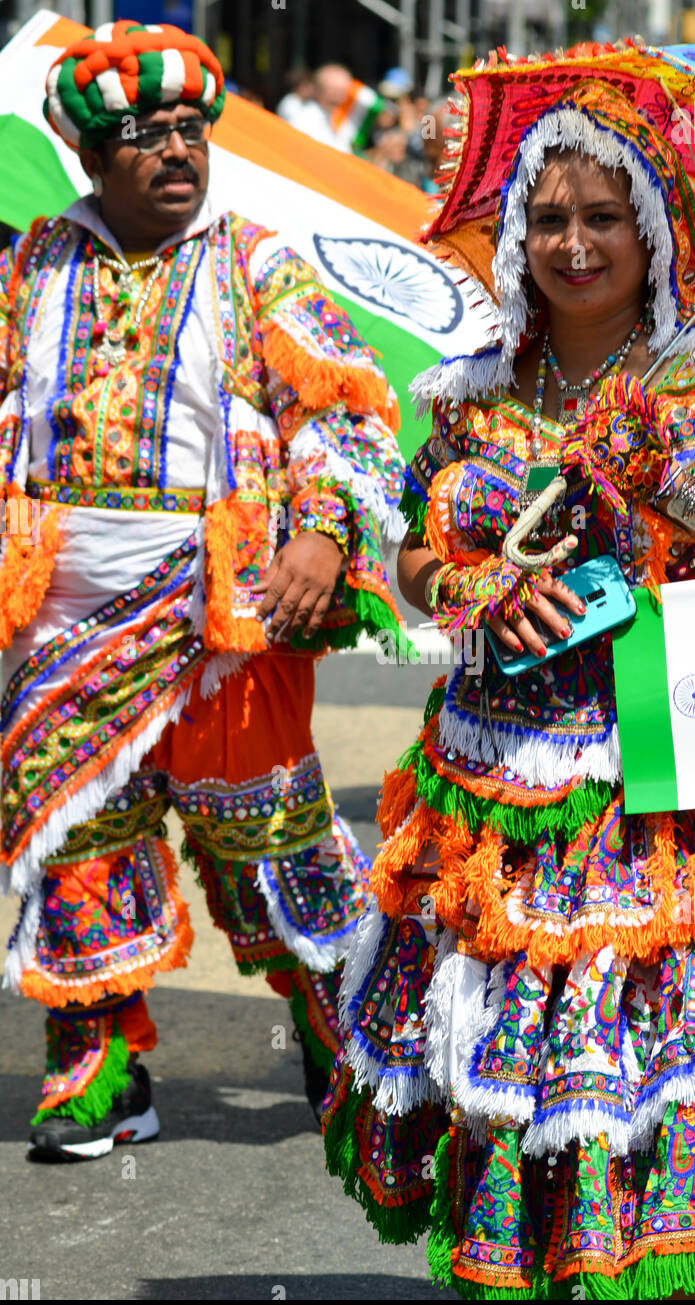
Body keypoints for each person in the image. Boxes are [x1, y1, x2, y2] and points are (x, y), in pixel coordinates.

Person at [322, 61, 695, 1298]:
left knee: (651, 1023)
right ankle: (545, 1262)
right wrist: (479, 594)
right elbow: (414, 558)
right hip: (506, 751)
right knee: (513, 1032)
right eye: (549, 219)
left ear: (653, 225)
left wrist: (680, 493)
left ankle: (640, 1271)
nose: (574, 244)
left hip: (690, 707)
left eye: (602, 217)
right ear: (516, 234)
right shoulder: (474, 392)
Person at [0, 20, 406, 1160]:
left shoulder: (254, 259)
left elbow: (347, 410)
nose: (177, 150)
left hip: (221, 618)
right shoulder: (30, 267)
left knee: (272, 844)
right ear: (90, 156)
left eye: (190, 129)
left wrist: (323, 534)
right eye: (146, 133)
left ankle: (348, 1039)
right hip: (63, 626)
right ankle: (99, 1069)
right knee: (77, 840)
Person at [283, 64, 382, 154]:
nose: (339, 95)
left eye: (343, 89)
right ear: (318, 89)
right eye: (333, 89)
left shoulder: (342, 119)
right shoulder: (303, 120)